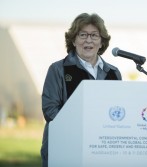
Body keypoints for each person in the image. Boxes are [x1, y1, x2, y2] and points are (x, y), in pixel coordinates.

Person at [40, 13, 122, 167]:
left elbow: (115, 110)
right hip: (64, 148)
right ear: (73, 40)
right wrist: (84, 126)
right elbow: (50, 110)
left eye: (94, 35)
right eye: (82, 35)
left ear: (101, 41)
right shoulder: (58, 69)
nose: (88, 40)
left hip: (101, 150)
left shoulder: (113, 73)